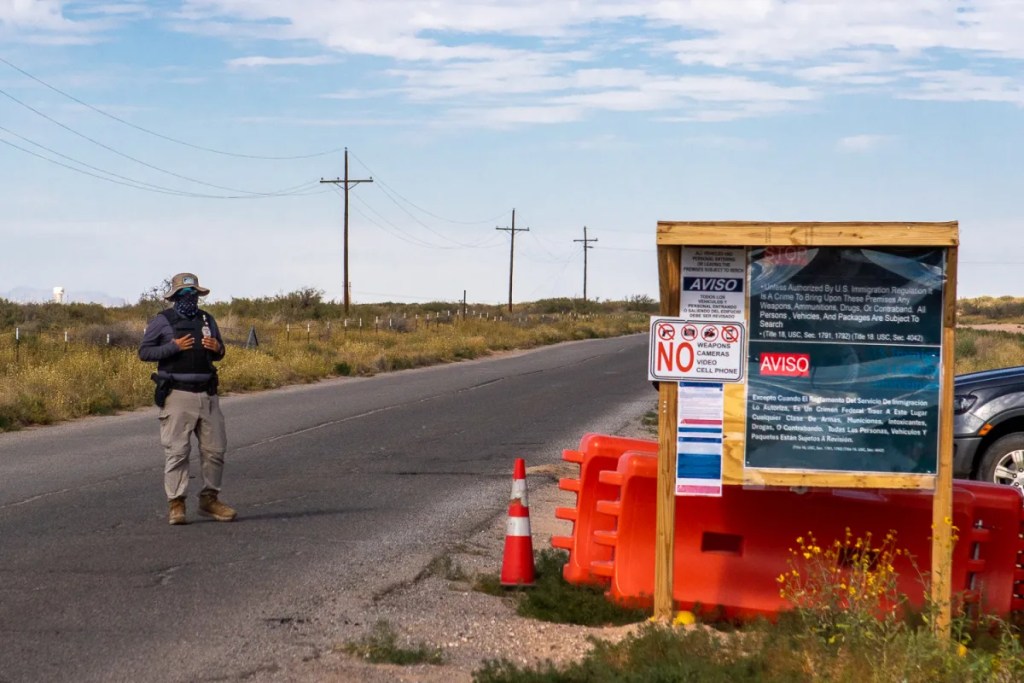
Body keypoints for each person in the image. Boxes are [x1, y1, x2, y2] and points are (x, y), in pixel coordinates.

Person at [139, 272, 237, 525]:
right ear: (174, 297)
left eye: (193, 294)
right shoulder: (163, 321)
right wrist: (174, 347)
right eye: (183, 294)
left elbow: (219, 351)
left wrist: (218, 349)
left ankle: (210, 499)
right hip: (177, 394)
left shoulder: (207, 319)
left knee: (215, 451)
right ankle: (176, 504)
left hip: (208, 394)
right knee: (178, 452)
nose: (189, 298)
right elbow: (145, 351)